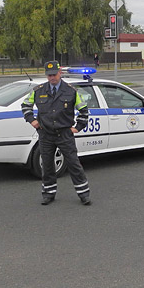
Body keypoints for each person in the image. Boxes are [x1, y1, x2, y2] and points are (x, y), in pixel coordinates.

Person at [21, 60, 91, 206]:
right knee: (47, 165)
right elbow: (25, 105)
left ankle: (84, 193)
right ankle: (48, 193)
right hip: (45, 133)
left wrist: (78, 127)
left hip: (64, 133)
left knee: (73, 164)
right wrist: (31, 120)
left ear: (60, 73)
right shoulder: (39, 90)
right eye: (49, 75)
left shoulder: (71, 91)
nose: (51, 78)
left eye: (54, 74)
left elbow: (84, 110)